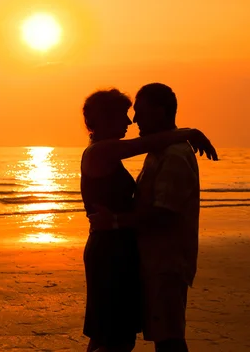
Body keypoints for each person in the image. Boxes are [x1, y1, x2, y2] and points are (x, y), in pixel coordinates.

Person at [80, 87, 216, 352]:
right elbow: (139, 145)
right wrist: (188, 132)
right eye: (124, 114)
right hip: (110, 251)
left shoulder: (163, 153)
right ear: (105, 118)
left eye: (136, 113)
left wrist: (119, 221)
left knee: (108, 335)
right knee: (115, 338)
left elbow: (164, 209)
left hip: (122, 250)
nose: (131, 121)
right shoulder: (100, 152)